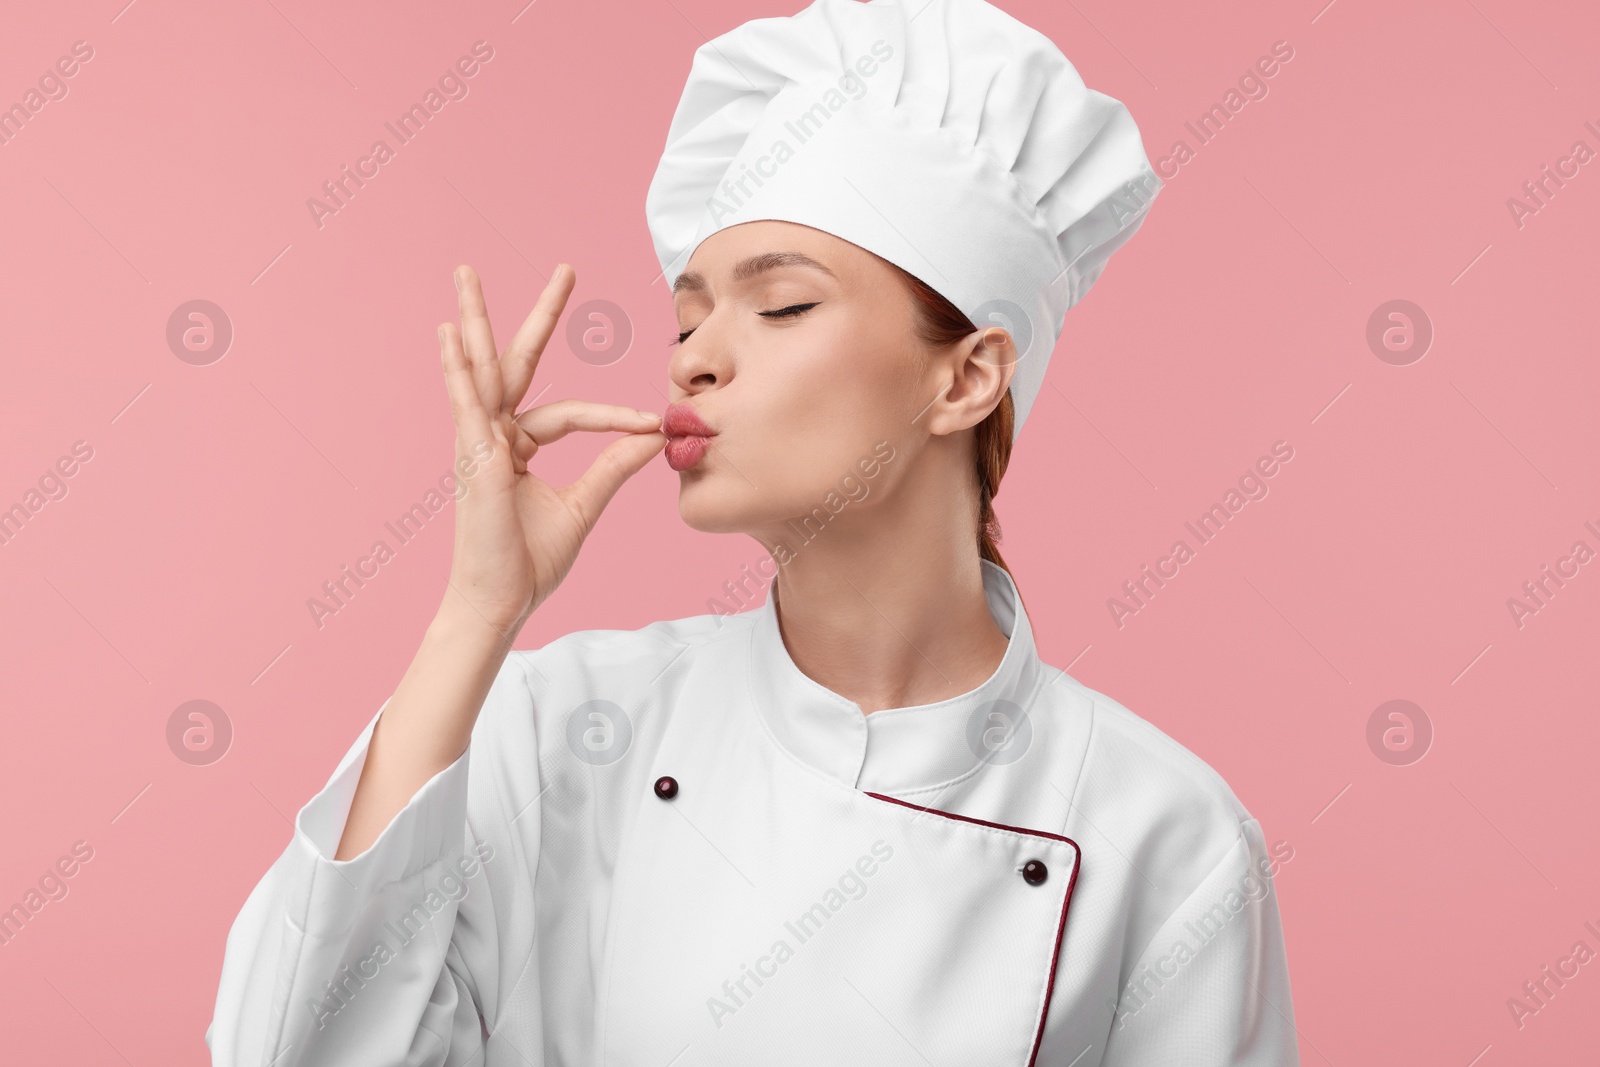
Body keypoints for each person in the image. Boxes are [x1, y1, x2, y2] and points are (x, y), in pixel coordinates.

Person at [207, 0, 1299, 1064]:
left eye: (778, 306)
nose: (690, 358)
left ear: (966, 376)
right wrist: (475, 614)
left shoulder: (1164, 835)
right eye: (688, 316)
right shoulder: (557, 730)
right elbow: (283, 1048)